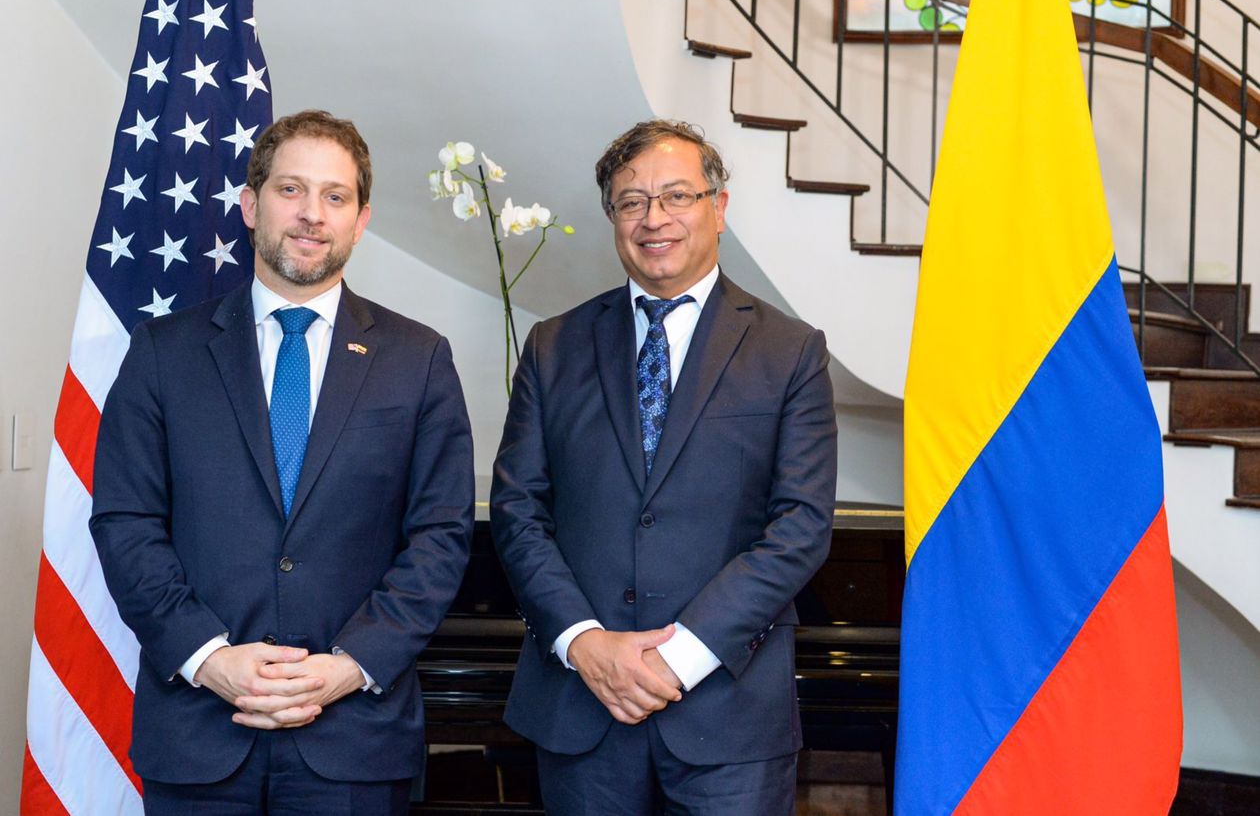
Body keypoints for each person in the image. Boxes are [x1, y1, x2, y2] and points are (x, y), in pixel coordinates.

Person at [91, 110, 474, 814]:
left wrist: (349, 667)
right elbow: (126, 521)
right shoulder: (161, 352)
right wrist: (209, 658)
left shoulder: (418, 360)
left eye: (335, 196)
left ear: (361, 220)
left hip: (354, 737)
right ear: (250, 204)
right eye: (291, 190)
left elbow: (442, 534)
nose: (311, 214)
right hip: (200, 731)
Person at [490, 119, 838, 815]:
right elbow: (518, 511)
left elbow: (800, 524)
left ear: (719, 206)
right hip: (581, 708)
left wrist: (676, 658)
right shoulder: (553, 346)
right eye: (631, 202)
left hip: (728, 716)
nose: (655, 219)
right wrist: (586, 644)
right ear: (613, 217)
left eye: (677, 196)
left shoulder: (790, 351)